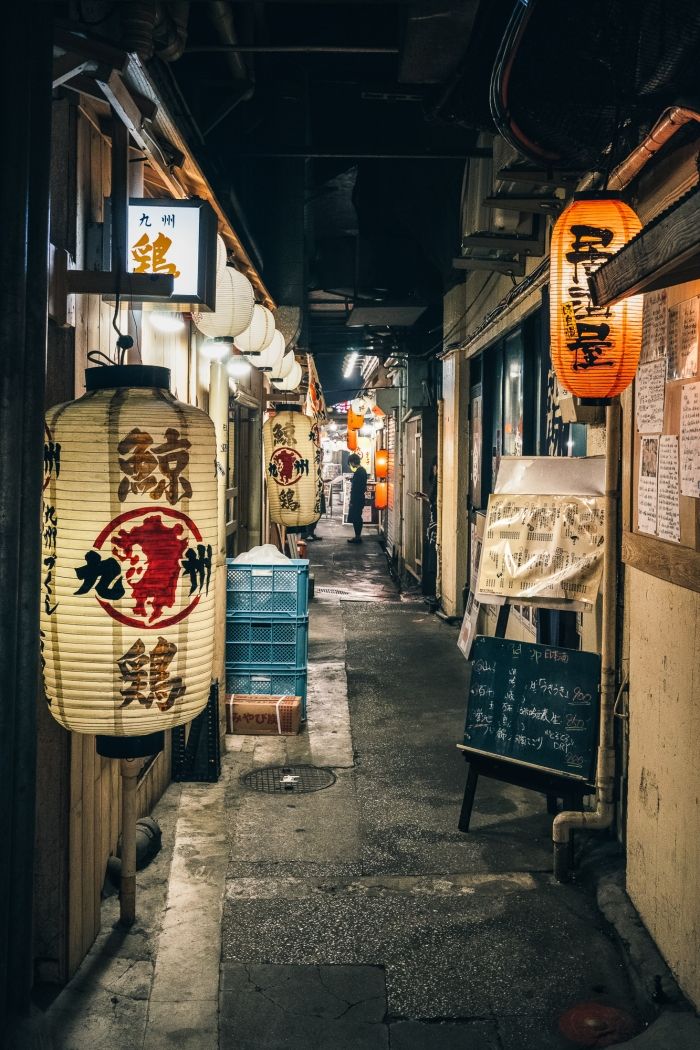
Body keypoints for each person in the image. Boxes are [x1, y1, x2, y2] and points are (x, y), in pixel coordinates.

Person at [346, 453, 368, 544]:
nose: (351, 465)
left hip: (357, 498)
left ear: (353, 462)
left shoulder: (359, 472)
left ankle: (358, 537)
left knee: (356, 518)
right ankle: (357, 536)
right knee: (357, 517)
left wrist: (352, 501)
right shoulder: (362, 471)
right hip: (360, 498)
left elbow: (356, 488)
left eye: (350, 463)